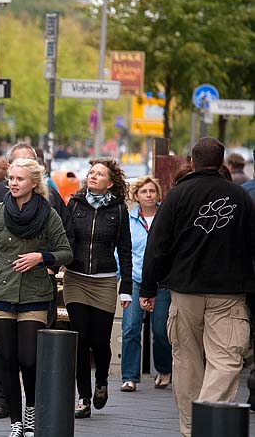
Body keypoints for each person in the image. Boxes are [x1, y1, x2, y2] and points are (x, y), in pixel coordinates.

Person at [140, 137, 255, 437]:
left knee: (187, 361)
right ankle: (210, 420)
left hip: (184, 290)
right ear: (222, 163)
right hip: (228, 293)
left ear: (191, 161)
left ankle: (192, 428)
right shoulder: (240, 197)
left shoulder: (177, 195)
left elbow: (157, 246)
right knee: (226, 360)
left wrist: (148, 288)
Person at [0, 158, 72, 437]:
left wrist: (41, 257)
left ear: (33, 183)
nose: (13, 183)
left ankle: (31, 410)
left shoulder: (48, 213)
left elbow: (66, 251)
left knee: (29, 359)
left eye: (19, 179)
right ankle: (17, 422)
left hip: (34, 294)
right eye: (11, 178)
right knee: (8, 358)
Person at [65, 158, 132, 419]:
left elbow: (125, 251)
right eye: (91, 173)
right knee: (81, 339)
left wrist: (126, 286)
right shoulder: (75, 203)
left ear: (110, 182)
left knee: (100, 341)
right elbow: (65, 238)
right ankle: (83, 397)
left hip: (104, 280)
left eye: (99, 174)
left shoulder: (118, 209)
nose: (93, 176)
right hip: (76, 278)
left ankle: (101, 381)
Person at [119, 176, 171, 393]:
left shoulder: (167, 218)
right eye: (144, 191)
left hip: (161, 281)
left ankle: (164, 369)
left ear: (158, 194)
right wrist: (122, 277)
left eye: (152, 191)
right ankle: (130, 376)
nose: (148, 195)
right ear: (136, 195)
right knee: (130, 328)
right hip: (135, 279)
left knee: (161, 330)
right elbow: (121, 250)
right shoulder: (129, 220)